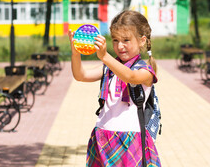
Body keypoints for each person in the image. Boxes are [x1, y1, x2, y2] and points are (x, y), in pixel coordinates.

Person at [68, 10, 161, 167]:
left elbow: (130, 77)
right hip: (102, 135)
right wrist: (76, 54)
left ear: (142, 41)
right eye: (115, 40)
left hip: (130, 138)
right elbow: (80, 75)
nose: (120, 46)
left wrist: (105, 56)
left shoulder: (145, 71)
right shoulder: (109, 68)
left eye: (126, 40)